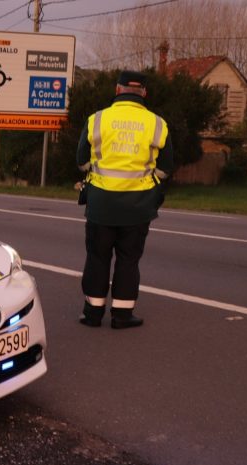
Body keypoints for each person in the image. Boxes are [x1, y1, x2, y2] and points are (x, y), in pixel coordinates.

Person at [76, 71, 175, 329]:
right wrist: (148, 184)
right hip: (138, 206)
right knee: (128, 259)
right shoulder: (157, 124)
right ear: (144, 93)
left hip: (100, 204)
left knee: (97, 257)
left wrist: (98, 173)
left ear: (117, 90)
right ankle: (121, 315)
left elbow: (81, 161)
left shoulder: (97, 119)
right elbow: (165, 168)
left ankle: (93, 313)